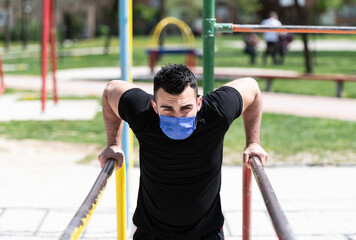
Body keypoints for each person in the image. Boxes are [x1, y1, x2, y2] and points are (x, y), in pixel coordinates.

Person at [98, 64, 268, 240]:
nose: (178, 117)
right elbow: (111, 89)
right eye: (168, 109)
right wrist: (113, 144)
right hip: (151, 233)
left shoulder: (216, 113)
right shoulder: (143, 114)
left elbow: (252, 87)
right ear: (155, 106)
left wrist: (253, 142)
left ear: (199, 103)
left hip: (206, 233)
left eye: (186, 108)